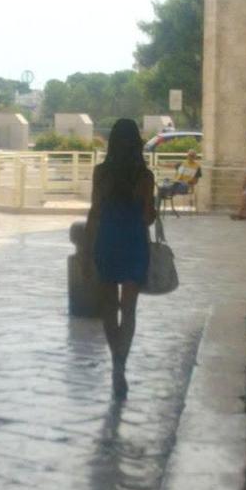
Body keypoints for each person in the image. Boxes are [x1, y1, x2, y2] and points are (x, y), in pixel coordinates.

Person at [85, 118, 156, 400]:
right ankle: (121, 364)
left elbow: (95, 212)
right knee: (129, 310)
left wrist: (87, 252)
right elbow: (147, 217)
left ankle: (115, 358)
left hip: (108, 240)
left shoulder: (101, 173)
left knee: (108, 307)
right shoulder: (144, 176)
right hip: (134, 242)